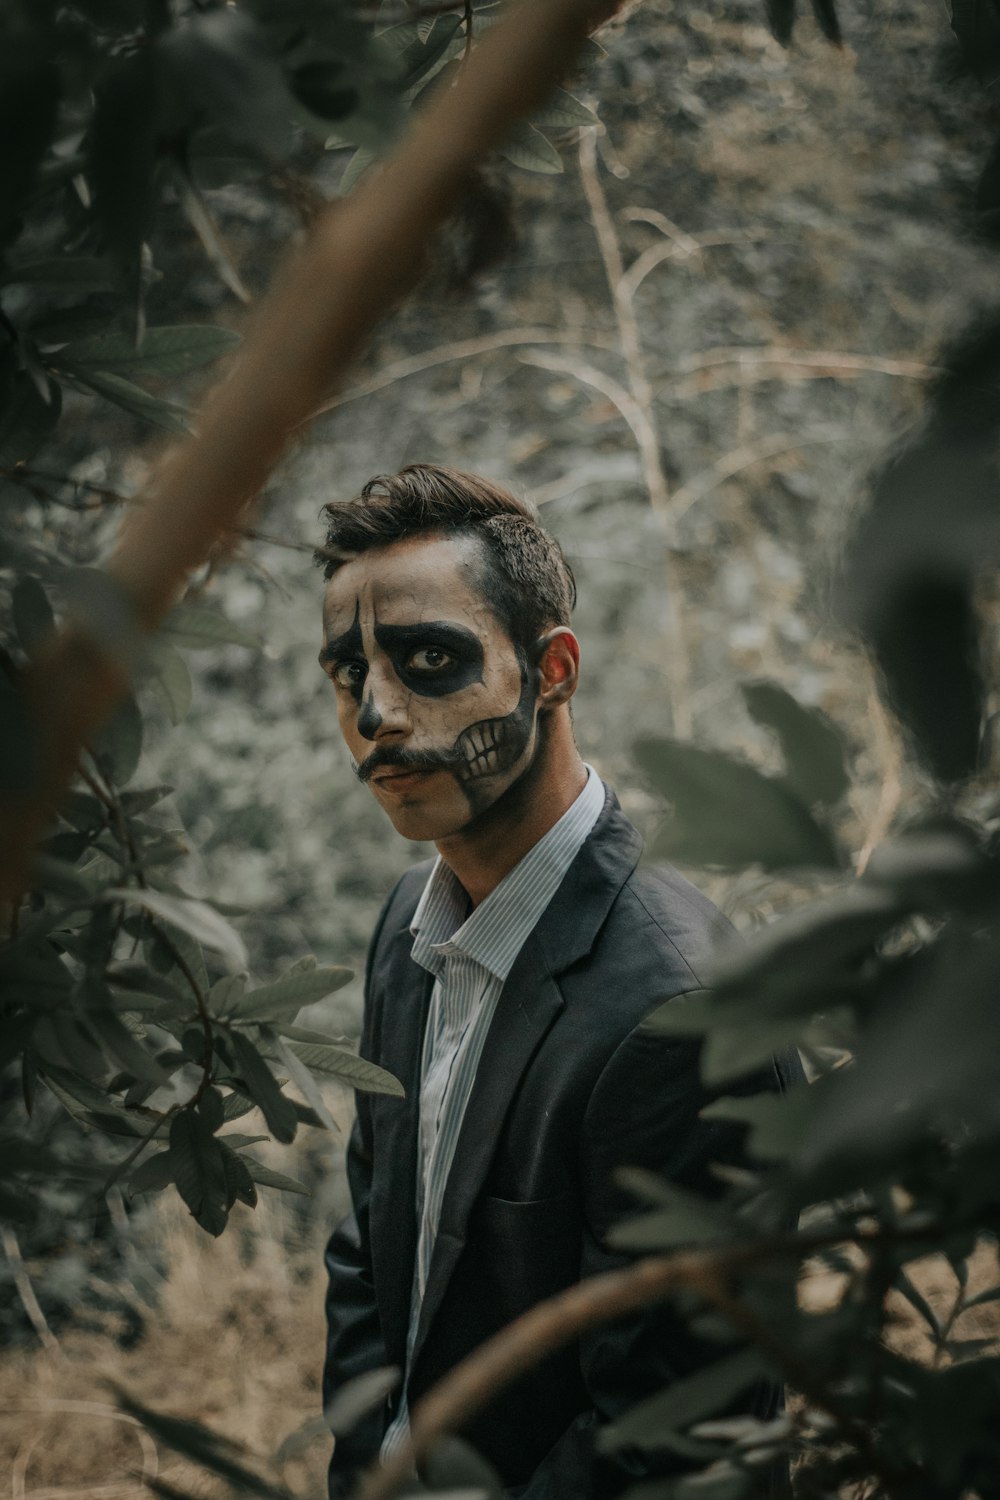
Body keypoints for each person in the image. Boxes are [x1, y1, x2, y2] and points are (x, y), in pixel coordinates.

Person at [317, 464, 797, 1499]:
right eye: (346, 674)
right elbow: (370, 1248)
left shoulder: (681, 1012)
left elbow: (681, 1438)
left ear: (553, 670)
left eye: (428, 660)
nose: (375, 713)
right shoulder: (406, 926)